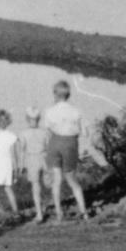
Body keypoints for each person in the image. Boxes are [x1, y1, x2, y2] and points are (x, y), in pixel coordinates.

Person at [44, 80, 88, 221]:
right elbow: (84, 132)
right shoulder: (76, 111)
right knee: (72, 179)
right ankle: (83, 211)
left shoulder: (50, 111)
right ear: (68, 95)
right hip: (70, 143)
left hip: (55, 142)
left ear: (55, 94)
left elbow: (48, 131)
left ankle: (59, 212)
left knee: (56, 180)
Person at [18, 107, 49, 224]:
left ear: (27, 119)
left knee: (36, 188)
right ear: (39, 119)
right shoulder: (44, 132)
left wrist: (21, 166)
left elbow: (22, 151)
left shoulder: (23, 133)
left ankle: (39, 213)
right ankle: (52, 208)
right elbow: (48, 148)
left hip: (32, 159)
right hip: (44, 158)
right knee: (49, 185)